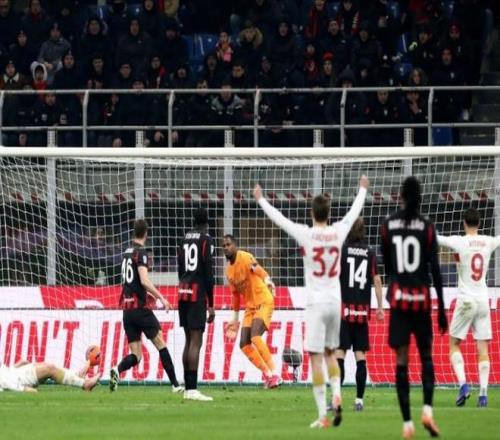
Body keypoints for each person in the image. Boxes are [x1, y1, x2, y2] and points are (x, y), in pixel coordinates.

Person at [253, 175, 369, 428]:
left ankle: (322, 416)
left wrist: (261, 200)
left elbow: (280, 220)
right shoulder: (338, 231)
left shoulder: (305, 234)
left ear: (311, 213)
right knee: (331, 354)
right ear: (329, 213)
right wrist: (362, 189)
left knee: (316, 358)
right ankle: (337, 394)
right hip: (336, 302)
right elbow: (353, 212)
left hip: (316, 303)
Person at [380, 176, 448, 439]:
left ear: (400, 195)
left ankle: (407, 423)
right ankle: (428, 411)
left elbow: (388, 267)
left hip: (399, 302)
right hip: (421, 302)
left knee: (402, 361)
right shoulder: (427, 227)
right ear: (420, 197)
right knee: (427, 356)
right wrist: (442, 309)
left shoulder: (387, 226)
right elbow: (435, 271)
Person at [110, 219, 183, 393]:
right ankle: (175, 385)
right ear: (146, 234)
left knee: (136, 355)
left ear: (133, 232)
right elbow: (144, 280)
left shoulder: (126, 253)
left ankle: (117, 369)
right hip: (140, 310)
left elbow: (131, 281)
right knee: (160, 343)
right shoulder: (141, 253)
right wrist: (161, 298)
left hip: (127, 311)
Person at [437, 208, 500, 408]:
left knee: (454, 344)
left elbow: (437, 239)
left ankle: (463, 385)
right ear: (479, 223)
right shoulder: (489, 241)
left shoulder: (459, 241)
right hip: (483, 301)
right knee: (483, 349)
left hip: (466, 300)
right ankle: (483, 395)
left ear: (464, 223)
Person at [335, 217, 384, 411]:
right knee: (360, 356)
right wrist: (380, 307)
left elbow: (334, 277)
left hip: (345, 312)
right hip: (362, 313)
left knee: (339, 354)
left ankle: (337, 400)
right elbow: (377, 281)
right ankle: (359, 401)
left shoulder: (342, 251)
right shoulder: (370, 253)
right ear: (363, 231)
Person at [222, 235, 281, 389]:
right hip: (250, 307)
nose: (226, 248)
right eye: (224, 246)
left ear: (235, 245)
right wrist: (235, 319)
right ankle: (268, 375)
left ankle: (276, 374)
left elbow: (257, 268)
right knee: (244, 344)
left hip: (263, 300)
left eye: (228, 244)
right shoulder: (229, 271)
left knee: (255, 336)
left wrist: (267, 280)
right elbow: (235, 296)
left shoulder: (245, 257)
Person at [178, 208, 216, 401]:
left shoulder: (185, 238)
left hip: (183, 291)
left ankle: (187, 388)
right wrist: (211, 303)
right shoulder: (206, 239)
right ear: (207, 223)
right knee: (196, 341)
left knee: (188, 340)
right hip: (197, 294)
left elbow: (180, 267)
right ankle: (192, 389)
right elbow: (209, 273)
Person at [0, 359, 99, 392]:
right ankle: (84, 384)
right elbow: (5, 382)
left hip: (14, 373)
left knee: (48, 365)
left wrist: (14, 367)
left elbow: (3, 371)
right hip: (18, 379)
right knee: (50, 368)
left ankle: (76, 376)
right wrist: (24, 389)